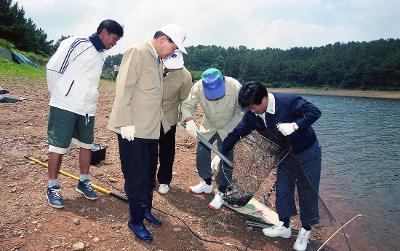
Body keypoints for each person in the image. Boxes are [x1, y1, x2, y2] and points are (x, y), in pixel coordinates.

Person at [218, 81, 322, 251]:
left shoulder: (288, 101)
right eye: (248, 108)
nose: (251, 111)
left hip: (307, 152)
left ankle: (305, 231)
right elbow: (236, 133)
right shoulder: (253, 115)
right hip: (286, 154)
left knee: (307, 191)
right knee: (283, 189)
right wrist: (220, 153)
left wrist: (295, 125)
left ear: (264, 99)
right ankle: (285, 226)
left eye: (253, 107)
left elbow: (315, 112)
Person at [108, 24, 187, 242]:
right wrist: (125, 123)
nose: (173, 53)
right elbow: (123, 89)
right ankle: (135, 220)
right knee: (137, 176)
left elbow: (154, 97)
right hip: (132, 129)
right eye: (174, 47)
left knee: (149, 173)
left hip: (151, 130)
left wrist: (165, 125)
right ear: (164, 40)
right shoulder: (138, 52)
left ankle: (146, 211)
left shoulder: (156, 59)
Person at [45, 19, 124, 209]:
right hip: (64, 104)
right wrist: (61, 94)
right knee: (58, 146)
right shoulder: (77, 43)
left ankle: (83, 181)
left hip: (87, 109)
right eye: (114, 38)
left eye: (117, 40)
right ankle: (52, 186)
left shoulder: (101, 54)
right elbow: (53, 68)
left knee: (86, 145)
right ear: (103, 32)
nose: (114, 43)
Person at [181, 68, 243, 210]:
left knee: (225, 158)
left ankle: (222, 191)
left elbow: (241, 112)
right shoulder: (198, 86)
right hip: (209, 124)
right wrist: (189, 120)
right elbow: (187, 105)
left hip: (229, 126)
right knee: (202, 151)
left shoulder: (235, 86)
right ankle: (207, 183)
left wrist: (221, 151)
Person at [157, 50, 192, 195]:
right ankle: (146, 177)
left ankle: (164, 180)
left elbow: (185, 100)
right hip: (148, 114)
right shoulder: (154, 65)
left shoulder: (185, 76)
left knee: (166, 150)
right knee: (147, 148)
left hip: (168, 116)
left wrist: (186, 119)